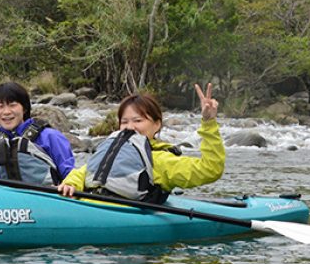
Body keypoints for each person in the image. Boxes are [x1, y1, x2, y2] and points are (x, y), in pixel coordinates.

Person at [57, 83, 224, 198]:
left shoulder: (161, 161)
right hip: (89, 204)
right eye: (124, 122)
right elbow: (84, 172)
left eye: (138, 121)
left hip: (122, 215)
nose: (130, 127)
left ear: (157, 124)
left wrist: (208, 123)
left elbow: (210, 169)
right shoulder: (112, 150)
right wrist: (70, 184)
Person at [0, 81, 75, 185]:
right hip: (9, 202)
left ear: (24, 108)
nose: (6, 112)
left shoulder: (49, 136)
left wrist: (69, 186)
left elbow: (69, 174)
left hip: (48, 199)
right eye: (0, 106)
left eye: (12, 105)